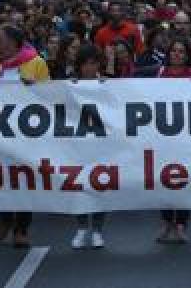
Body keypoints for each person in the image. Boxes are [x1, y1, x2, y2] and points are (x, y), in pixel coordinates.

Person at [0, 25, 49, 248]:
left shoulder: (36, 63)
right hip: (0, 130)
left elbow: (50, 94)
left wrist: (35, 88)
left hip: (27, 132)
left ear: (14, 42)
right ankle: (5, 220)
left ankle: (22, 227)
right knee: (2, 178)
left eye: (0, 39)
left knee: (25, 179)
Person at [156, 38, 191, 245]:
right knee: (164, 178)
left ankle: (181, 223)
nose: (177, 54)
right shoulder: (160, 73)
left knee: (184, 179)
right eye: (174, 50)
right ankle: (166, 222)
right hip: (163, 135)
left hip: (186, 135)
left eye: (181, 51)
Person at [70, 44, 109, 250]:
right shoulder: (70, 85)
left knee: (99, 186)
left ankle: (97, 231)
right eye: (85, 64)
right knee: (79, 186)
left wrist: (107, 87)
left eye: (93, 63)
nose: (89, 68)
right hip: (78, 145)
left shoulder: (106, 84)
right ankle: (81, 228)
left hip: (101, 145)